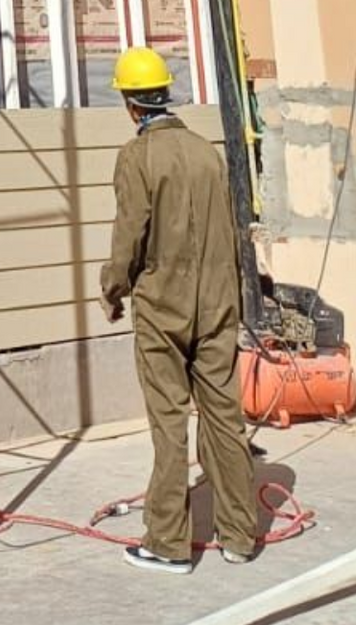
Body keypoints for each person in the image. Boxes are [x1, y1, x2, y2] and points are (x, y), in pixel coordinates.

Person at [99, 46, 258, 574]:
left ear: (130, 104)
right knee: (224, 419)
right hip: (218, 303)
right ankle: (239, 536)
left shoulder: (136, 157)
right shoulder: (206, 152)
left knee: (170, 425)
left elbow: (130, 234)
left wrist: (113, 287)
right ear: (165, 94)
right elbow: (234, 228)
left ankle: (167, 543)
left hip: (163, 306)